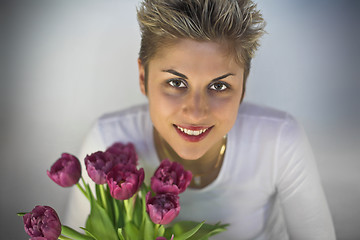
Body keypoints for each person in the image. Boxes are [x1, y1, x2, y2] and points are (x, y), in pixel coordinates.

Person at [66, 0, 336, 239]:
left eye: (219, 87)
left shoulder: (279, 141)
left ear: (243, 86)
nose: (196, 113)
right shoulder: (107, 141)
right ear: (143, 78)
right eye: (175, 82)